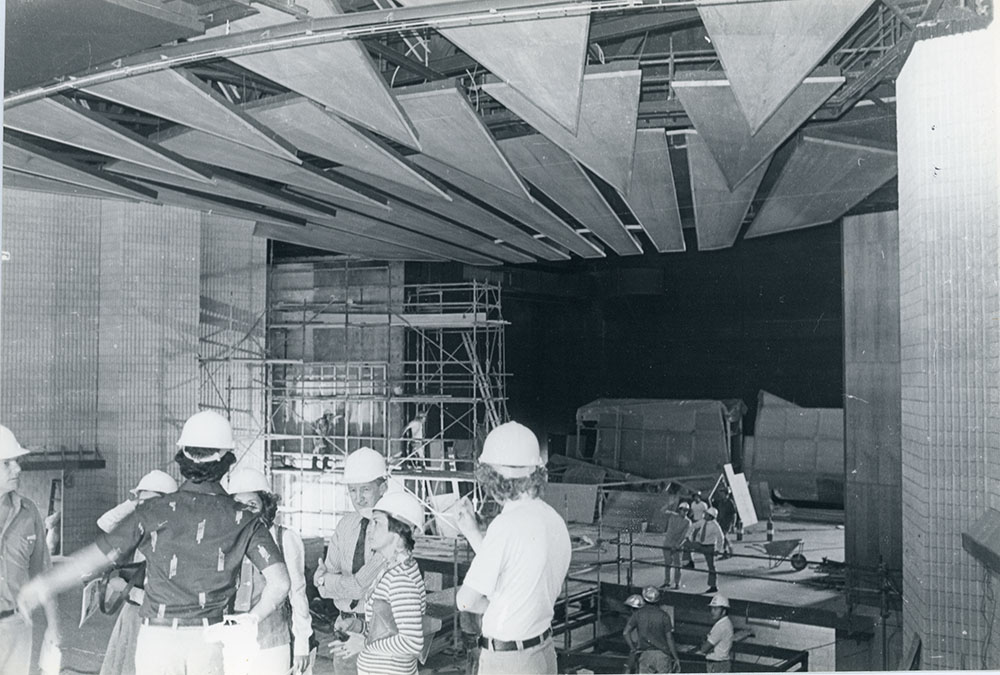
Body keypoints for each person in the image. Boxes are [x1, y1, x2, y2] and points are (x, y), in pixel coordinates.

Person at [17, 410, 291, 675]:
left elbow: (92, 560)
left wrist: (41, 585)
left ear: (182, 457)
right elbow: (280, 584)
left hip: (157, 641)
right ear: (227, 459)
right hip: (209, 640)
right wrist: (250, 620)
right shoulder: (243, 518)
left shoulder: (152, 511)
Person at [454, 421, 571, 675]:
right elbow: (517, 582)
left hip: (509, 661)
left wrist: (496, 604)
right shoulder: (554, 520)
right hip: (543, 652)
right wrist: (473, 533)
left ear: (493, 479)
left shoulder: (506, 525)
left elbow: (465, 602)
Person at [313, 447, 391, 675]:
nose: (358, 498)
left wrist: (327, 580)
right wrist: (326, 582)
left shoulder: (392, 530)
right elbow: (324, 591)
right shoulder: (345, 525)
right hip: (345, 627)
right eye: (353, 490)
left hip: (381, 631)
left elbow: (358, 585)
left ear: (383, 488)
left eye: (365, 489)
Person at [228, 467, 313, 675]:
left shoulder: (284, 538)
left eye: (252, 505)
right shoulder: (227, 540)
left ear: (265, 506)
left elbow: (298, 594)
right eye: (240, 505)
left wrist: (302, 645)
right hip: (232, 638)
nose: (246, 511)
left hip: (272, 639)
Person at [332, 491, 427, 675]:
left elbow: (411, 642)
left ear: (398, 533)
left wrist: (364, 643)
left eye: (377, 522)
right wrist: (358, 626)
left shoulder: (401, 579)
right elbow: (387, 628)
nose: (369, 529)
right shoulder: (390, 569)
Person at [97, 470, 179, 675]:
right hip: (134, 612)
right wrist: (133, 503)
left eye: (151, 504)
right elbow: (105, 523)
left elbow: (167, 601)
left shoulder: (175, 541)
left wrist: (126, 589)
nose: (146, 509)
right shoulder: (143, 530)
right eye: (142, 504)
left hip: (155, 620)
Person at [0, 424, 60, 675]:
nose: (18, 468)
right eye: (7, 463)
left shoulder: (29, 512)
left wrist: (54, 627)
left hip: (16, 626)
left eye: (16, 461)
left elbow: (42, 573)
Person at [622, 586, 680, 674]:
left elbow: (626, 632)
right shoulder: (664, 615)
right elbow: (669, 638)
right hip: (662, 655)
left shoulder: (638, 614)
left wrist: (633, 648)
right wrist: (676, 658)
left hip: (645, 654)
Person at [691, 507, 726, 593]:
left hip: (709, 546)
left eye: (706, 514)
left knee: (711, 566)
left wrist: (718, 549)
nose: (704, 515)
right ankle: (688, 562)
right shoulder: (703, 521)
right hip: (701, 544)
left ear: (710, 516)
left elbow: (720, 538)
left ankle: (713, 585)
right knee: (686, 545)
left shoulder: (715, 526)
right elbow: (694, 525)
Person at [697, 594, 734, 672]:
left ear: (724, 611)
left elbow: (704, 649)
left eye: (715, 609)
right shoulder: (726, 623)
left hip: (717, 665)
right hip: (722, 664)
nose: (712, 612)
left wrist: (706, 644)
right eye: (711, 608)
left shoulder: (720, 626)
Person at [660, 497, 691, 589]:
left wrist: (677, 545)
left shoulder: (688, 522)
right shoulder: (673, 515)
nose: (685, 512)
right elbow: (662, 511)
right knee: (667, 564)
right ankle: (667, 581)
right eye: (683, 510)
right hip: (667, 543)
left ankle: (677, 583)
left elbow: (685, 536)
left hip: (677, 545)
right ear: (679, 510)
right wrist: (669, 504)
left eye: (687, 510)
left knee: (677, 565)